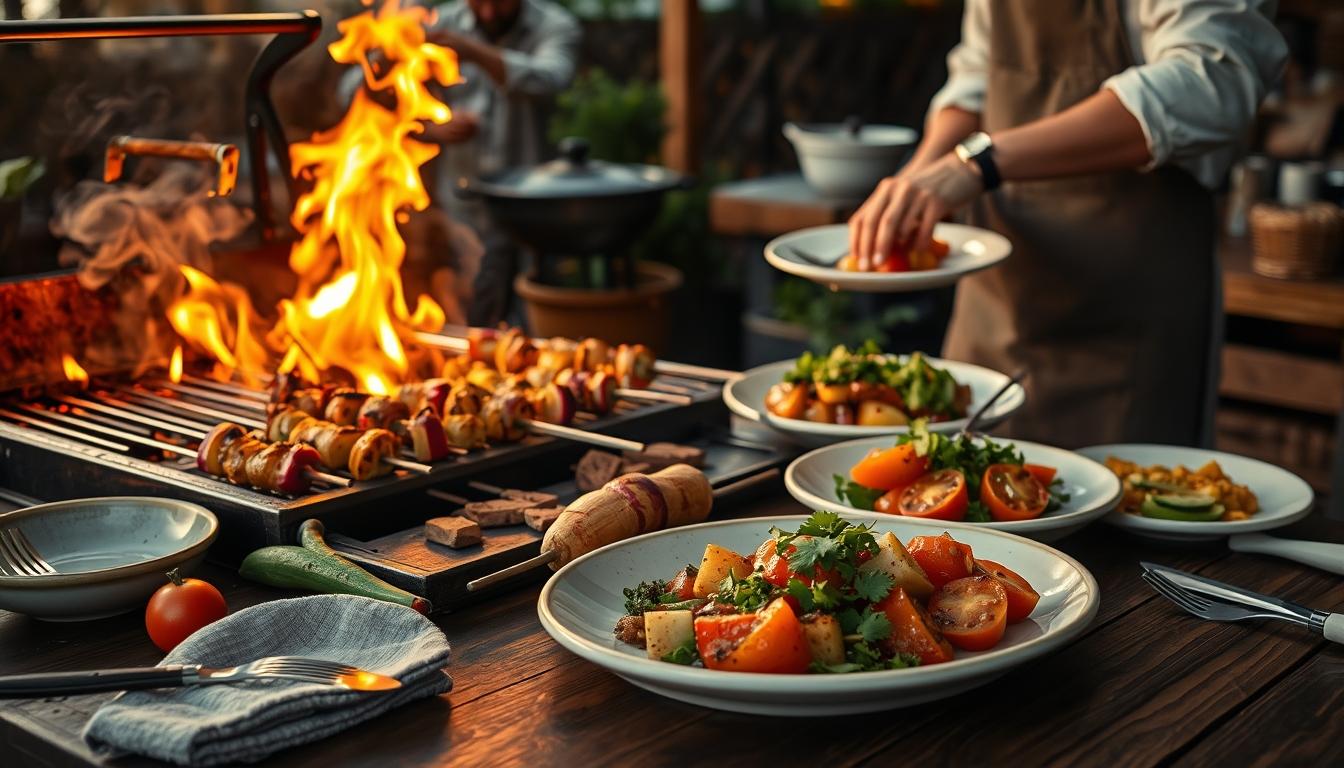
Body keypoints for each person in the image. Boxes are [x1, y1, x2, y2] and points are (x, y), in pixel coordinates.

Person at [847, 0, 1287, 448]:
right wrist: (920, 176)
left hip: (1125, 321)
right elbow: (977, 77)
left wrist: (977, 164)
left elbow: (1212, 79)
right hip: (994, 311)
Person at [421, 0, 581, 326]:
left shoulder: (554, 25)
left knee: (537, 320)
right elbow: (359, 91)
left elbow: (551, 78)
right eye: (479, 2)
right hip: (464, 213)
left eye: (500, 2)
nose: (489, 13)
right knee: (468, 317)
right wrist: (429, 127)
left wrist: (475, 53)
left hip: (535, 213)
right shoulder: (437, 24)